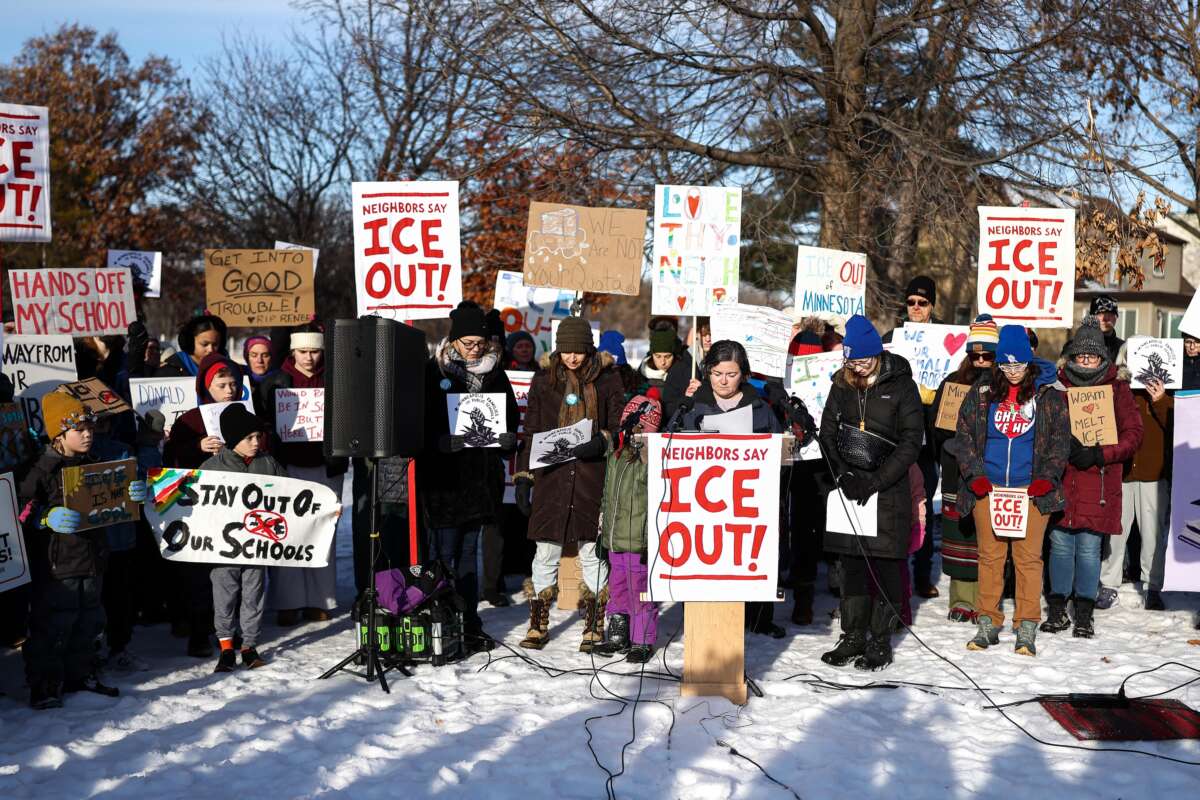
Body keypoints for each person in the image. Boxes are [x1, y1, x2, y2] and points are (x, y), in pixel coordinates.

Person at [19, 392, 147, 708]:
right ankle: (46, 683)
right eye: (80, 429)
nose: (89, 434)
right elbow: (17, 507)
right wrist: (43, 517)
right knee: (53, 623)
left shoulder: (97, 463)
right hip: (56, 564)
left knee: (90, 619)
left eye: (90, 427)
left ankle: (81, 675)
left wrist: (134, 492)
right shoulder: (41, 467)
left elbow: (117, 497)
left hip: (93, 557)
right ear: (59, 434)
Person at [952, 325, 1070, 656]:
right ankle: (988, 621)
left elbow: (1061, 440)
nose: (1013, 372)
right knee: (990, 558)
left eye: (1019, 365)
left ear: (1029, 361)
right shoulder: (982, 391)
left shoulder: (1049, 393)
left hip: (1030, 490)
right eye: (1006, 366)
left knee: (1028, 558)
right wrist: (974, 475)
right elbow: (963, 436)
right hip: (988, 488)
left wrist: (1047, 477)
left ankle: (1027, 624)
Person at [818, 315, 924, 671]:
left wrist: (876, 481)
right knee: (852, 566)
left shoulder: (902, 385)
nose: (859, 367)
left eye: (864, 360)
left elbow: (911, 442)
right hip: (850, 485)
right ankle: (852, 636)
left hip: (888, 488)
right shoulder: (842, 384)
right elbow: (827, 431)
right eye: (853, 361)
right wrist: (844, 474)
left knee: (886, 565)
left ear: (877, 354)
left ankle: (880, 640)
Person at [513, 316, 624, 651]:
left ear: (588, 349)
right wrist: (523, 476)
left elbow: (621, 426)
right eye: (566, 351)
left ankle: (594, 622)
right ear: (558, 351)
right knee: (546, 551)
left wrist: (603, 439)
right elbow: (530, 429)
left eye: (578, 351)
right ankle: (538, 622)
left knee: (591, 551)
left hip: (592, 477)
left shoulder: (608, 380)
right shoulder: (543, 381)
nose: (572, 358)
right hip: (552, 478)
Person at [420, 304, 519, 650]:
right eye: (468, 343)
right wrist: (438, 443)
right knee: (444, 553)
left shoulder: (497, 374)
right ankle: (443, 619)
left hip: (480, 480)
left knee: (468, 552)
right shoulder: (434, 372)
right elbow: (420, 422)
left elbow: (509, 419)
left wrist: (508, 440)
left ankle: (469, 621)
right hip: (445, 481)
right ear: (454, 339)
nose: (475, 349)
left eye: (480, 343)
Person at [1043, 316, 1143, 639]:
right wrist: (1062, 443)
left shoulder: (1117, 389)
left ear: (1102, 357)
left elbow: (1133, 435)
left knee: (1088, 549)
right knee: (1059, 546)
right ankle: (1057, 609)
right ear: (1071, 357)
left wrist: (1100, 453)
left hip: (1098, 482)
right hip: (1064, 481)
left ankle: (1084, 613)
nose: (1086, 361)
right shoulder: (1057, 388)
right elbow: (1042, 430)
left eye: (1092, 356)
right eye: (1081, 356)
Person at [682, 340, 787, 637]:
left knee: (753, 552)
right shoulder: (693, 406)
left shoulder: (761, 409)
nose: (724, 381)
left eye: (731, 374)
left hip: (749, 501)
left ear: (743, 374)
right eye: (717, 374)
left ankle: (759, 617)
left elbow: (780, 451)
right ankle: (704, 612)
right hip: (705, 501)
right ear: (707, 372)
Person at [260, 324, 346, 624]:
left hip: (326, 467)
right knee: (286, 532)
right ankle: (287, 601)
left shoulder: (336, 380)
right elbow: (264, 423)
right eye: (303, 351)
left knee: (323, 533)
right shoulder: (275, 381)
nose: (309, 358)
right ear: (293, 351)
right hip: (288, 467)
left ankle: (319, 599)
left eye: (315, 351)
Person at [162, 352, 246, 656]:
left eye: (234, 383)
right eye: (222, 384)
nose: (229, 390)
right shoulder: (190, 420)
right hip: (198, 510)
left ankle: (229, 630)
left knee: (232, 572)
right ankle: (199, 632)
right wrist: (196, 447)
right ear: (206, 387)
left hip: (235, 507)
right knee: (199, 576)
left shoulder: (245, 414)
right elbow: (170, 458)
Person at [202, 404, 287, 672]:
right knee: (224, 594)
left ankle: (249, 645)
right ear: (232, 439)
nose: (256, 442)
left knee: (254, 593)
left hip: (257, 546)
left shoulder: (268, 462)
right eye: (249, 437)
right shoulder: (213, 466)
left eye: (258, 436)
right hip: (223, 549)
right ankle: (226, 646)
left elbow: (292, 495)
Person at [933, 314, 999, 623]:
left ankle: (986, 602)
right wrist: (948, 443)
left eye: (989, 355)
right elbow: (935, 426)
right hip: (955, 469)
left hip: (991, 471)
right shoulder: (952, 384)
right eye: (977, 355)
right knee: (959, 536)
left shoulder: (1003, 386)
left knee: (986, 540)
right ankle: (961, 600)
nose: (983, 361)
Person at [1099, 346, 1172, 611]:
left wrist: (1161, 399)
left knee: (1153, 534)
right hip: (1122, 470)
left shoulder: (1165, 386)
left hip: (1154, 473)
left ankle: (1153, 586)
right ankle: (1108, 584)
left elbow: (1175, 425)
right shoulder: (1116, 387)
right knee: (1115, 532)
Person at [595, 390, 663, 663]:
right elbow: (607, 493)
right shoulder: (616, 453)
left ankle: (642, 638)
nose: (632, 431)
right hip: (615, 536)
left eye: (639, 427)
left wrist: (651, 537)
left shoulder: (651, 458)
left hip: (639, 538)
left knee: (641, 589)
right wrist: (602, 524)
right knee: (618, 585)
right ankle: (618, 632)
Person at [640, 318, 692, 417]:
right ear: (652, 354)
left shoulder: (684, 371)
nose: (663, 362)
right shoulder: (642, 372)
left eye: (667, 356)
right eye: (658, 356)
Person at [157, 314, 229, 378]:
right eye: (204, 344)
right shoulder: (170, 370)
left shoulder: (227, 367)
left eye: (215, 344)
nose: (211, 349)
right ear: (190, 342)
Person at [243, 335, 276, 418]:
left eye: (265, 355)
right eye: (254, 355)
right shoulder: (239, 379)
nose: (259, 360)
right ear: (247, 357)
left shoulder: (282, 379)